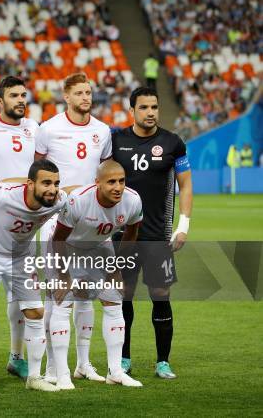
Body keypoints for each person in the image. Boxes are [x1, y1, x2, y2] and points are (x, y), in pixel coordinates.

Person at [0, 159, 75, 394]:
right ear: (30, 184)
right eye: (46, 183)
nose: (52, 189)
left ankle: (34, 377)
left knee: (35, 312)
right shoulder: (1, 196)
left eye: (56, 183)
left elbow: (74, 193)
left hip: (20, 256)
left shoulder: (58, 201)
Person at [35, 72, 112, 384]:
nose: (86, 97)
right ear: (65, 96)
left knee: (86, 294)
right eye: (79, 92)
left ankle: (83, 364)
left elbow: (105, 172)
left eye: (89, 92)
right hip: (56, 217)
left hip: (90, 220)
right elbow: (37, 171)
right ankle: (55, 368)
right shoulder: (48, 129)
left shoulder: (103, 130)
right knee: (58, 293)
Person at [112, 86, 193, 379]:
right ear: (132, 110)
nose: (150, 113)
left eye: (154, 107)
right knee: (124, 294)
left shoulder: (173, 143)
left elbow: (185, 185)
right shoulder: (116, 141)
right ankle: (122, 359)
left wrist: (182, 226)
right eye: (144, 107)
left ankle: (163, 362)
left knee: (161, 293)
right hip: (123, 234)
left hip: (158, 235)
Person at [49, 160, 144, 388]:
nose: (118, 187)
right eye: (111, 182)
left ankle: (115, 371)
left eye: (121, 181)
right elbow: (58, 239)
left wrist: (116, 267)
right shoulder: (78, 201)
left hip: (100, 246)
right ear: (97, 183)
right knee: (63, 303)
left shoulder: (133, 200)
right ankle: (61, 374)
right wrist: (64, 276)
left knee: (114, 302)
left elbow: (132, 233)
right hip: (66, 246)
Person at [0, 75, 39, 380]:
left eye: (23, 95)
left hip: (25, 228)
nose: (21, 100)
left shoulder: (32, 128)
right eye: (14, 95)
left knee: (21, 299)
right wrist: (2, 191)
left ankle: (16, 357)